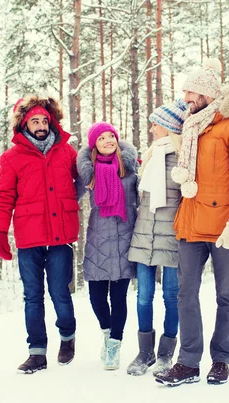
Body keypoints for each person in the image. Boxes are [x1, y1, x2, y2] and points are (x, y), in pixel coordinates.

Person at [154, 59, 229, 386]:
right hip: (190, 223)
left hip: (224, 225)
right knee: (185, 294)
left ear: (207, 93)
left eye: (190, 90)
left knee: (225, 294)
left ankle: (221, 359)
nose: (185, 95)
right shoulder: (191, 125)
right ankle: (187, 362)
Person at [0, 96, 80, 374]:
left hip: (60, 237)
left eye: (44, 120)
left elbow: (89, 174)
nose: (41, 125)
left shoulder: (66, 152)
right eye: (35, 121)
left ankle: (67, 337)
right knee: (33, 296)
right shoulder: (12, 157)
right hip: (29, 238)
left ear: (51, 121)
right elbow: (4, 196)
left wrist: (116, 164)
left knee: (59, 293)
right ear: (24, 124)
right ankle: (37, 352)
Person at [126, 99, 189, 376]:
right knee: (143, 296)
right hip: (144, 234)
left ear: (168, 127)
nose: (151, 129)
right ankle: (144, 353)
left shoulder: (183, 159)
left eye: (155, 124)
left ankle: (166, 354)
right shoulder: (150, 158)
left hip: (172, 236)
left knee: (171, 296)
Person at [76, 122, 139, 370]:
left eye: (111, 136)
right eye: (101, 138)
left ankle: (114, 344)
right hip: (98, 241)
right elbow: (70, 196)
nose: (107, 140)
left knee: (119, 297)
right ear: (94, 145)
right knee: (96, 297)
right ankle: (106, 332)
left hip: (125, 237)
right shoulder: (87, 175)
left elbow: (144, 196)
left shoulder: (130, 169)